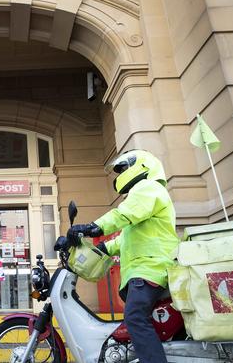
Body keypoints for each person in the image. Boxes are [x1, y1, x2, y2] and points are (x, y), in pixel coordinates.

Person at [67, 149, 179, 363]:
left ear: (143, 166)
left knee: (135, 318)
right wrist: (100, 249)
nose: (120, 175)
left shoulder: (148, 188)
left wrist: (92, 228)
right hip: (145, 270)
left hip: (150, 269)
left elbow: (123, 214)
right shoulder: (145, 196)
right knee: (138, 322)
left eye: (124, 168)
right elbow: (125, 239)